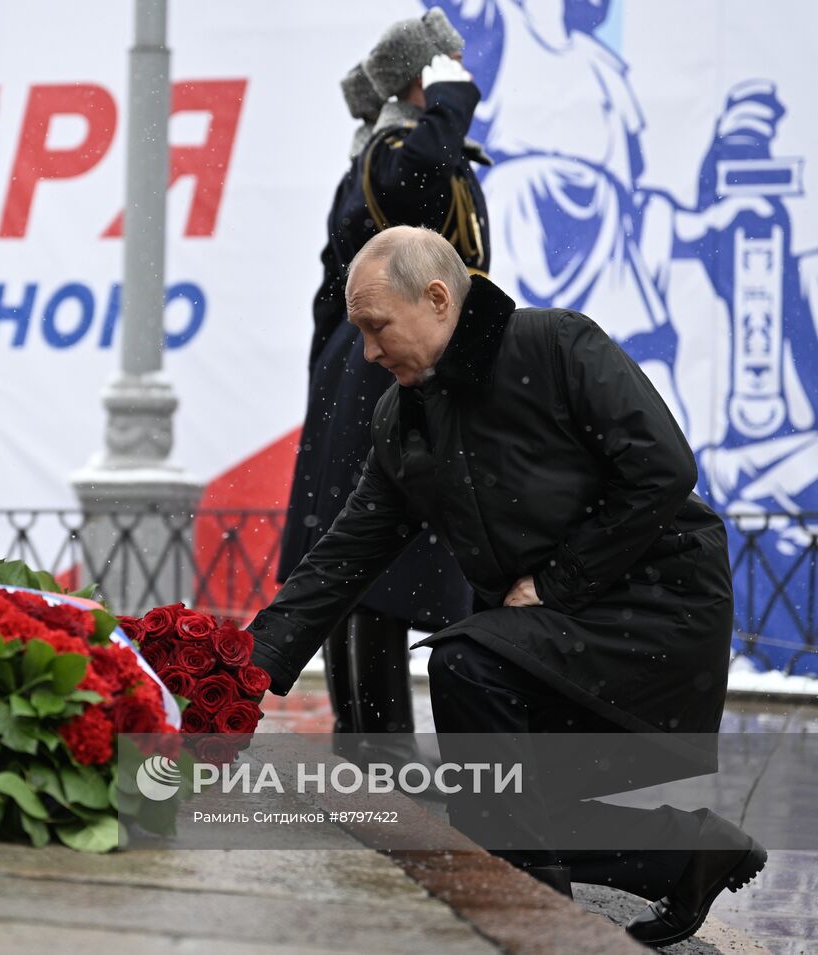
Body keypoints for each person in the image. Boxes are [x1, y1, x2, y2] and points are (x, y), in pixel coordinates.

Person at [251, 225, 766, 948]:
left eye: (376, 326)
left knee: (467, 668)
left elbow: (663, 469)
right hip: (558, 625)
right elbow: (347, 552)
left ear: (436, 298)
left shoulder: (555, 344)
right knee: (500, 800)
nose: (367, 350)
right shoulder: (404, 419)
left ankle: (535, 915)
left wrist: (558, 580)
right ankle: (683, 856)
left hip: (657, 611)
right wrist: (244, 669)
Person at [279, 8, 487, 758]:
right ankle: (375, 744)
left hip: (384, 370)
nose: (462, 79)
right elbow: (424, 178)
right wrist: (451, 102)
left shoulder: (396, 148)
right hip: (381, 374)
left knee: (380, 552)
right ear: (421, 76)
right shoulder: (399, 148)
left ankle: (371, 740)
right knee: (374, 554)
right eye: (446, 69)